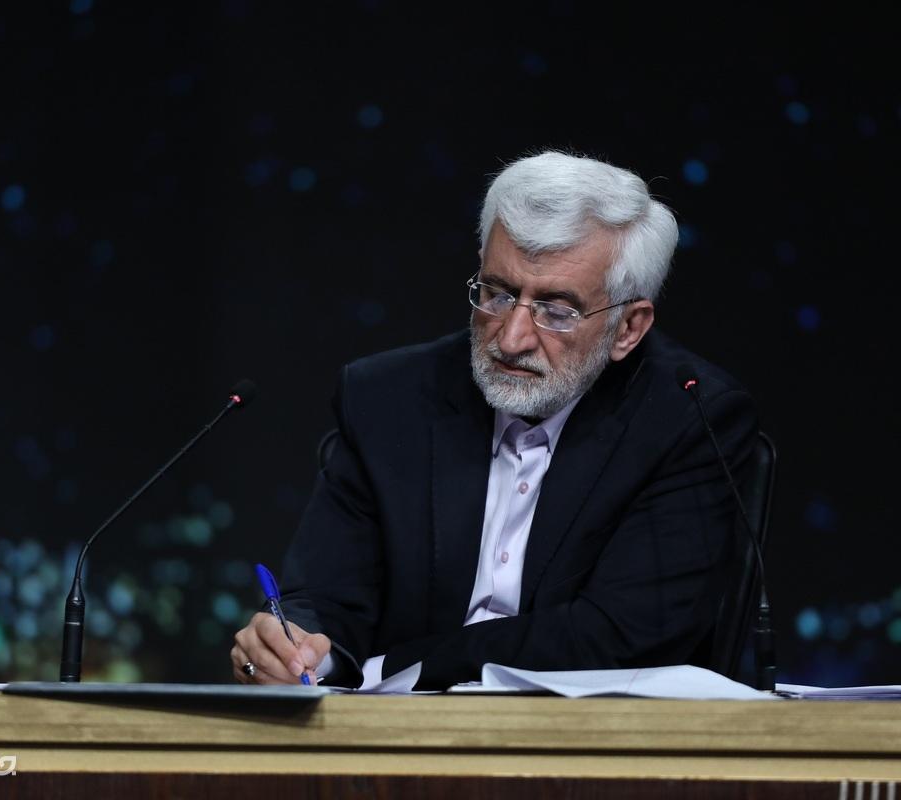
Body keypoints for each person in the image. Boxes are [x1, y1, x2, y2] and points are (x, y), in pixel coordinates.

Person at [231, 150, 757, 690]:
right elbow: (325, 595)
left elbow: (622, 635)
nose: (511, 338)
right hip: (392, 728)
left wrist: (395, 669)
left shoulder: (690, 416)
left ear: (628, 328)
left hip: (590, 729)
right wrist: (298, 650)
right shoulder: (387, 399)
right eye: (498, 294)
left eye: (557, 310)